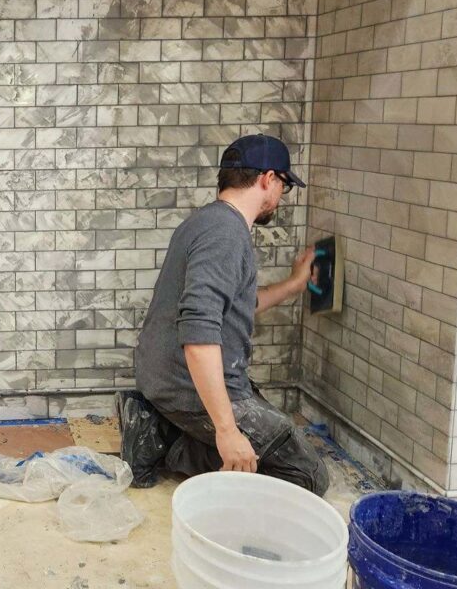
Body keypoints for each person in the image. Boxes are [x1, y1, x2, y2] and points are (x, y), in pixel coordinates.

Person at [119, 134, 329, 495]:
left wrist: (294, 285)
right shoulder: (226, 234)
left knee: (269, 436)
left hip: (166, 378)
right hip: (186, 387)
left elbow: (233, 306)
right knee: (306, 475)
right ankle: (166, 442)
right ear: (268, 179)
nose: (280, 197)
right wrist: (228, 430)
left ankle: (164, 428)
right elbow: (199, 336)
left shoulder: (207, 222)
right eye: (283, 185)